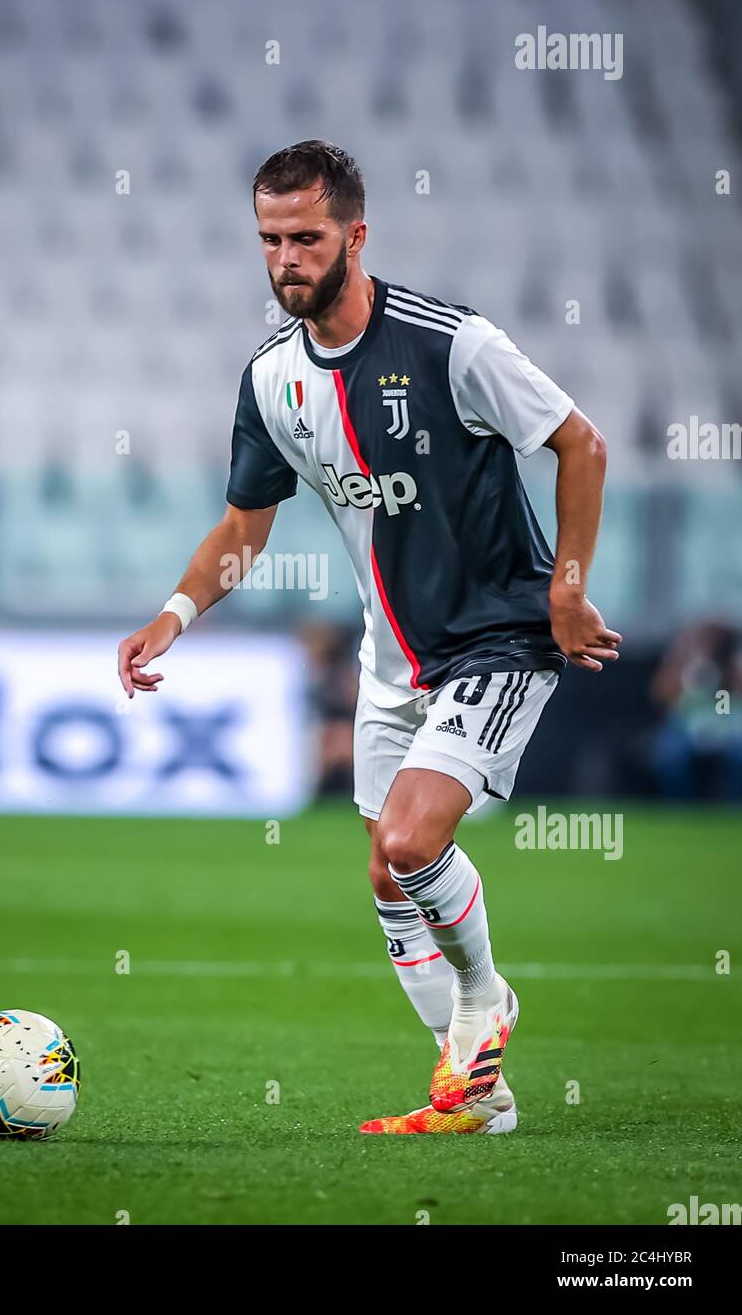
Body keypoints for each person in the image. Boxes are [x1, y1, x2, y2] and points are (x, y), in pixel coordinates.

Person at [118, 140, 621, 1135]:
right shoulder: (270, 380)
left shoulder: (450, 344)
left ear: (355, 234)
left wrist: (566, 588)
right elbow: (242, 530)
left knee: (408, 838)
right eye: (268, 240)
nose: (285, 259)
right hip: (391, 660)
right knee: (387, 875)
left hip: (499, 635)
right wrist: (173, 616)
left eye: (305, 237)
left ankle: (487, 1001)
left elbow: (580, 442)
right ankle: (482, 1102)